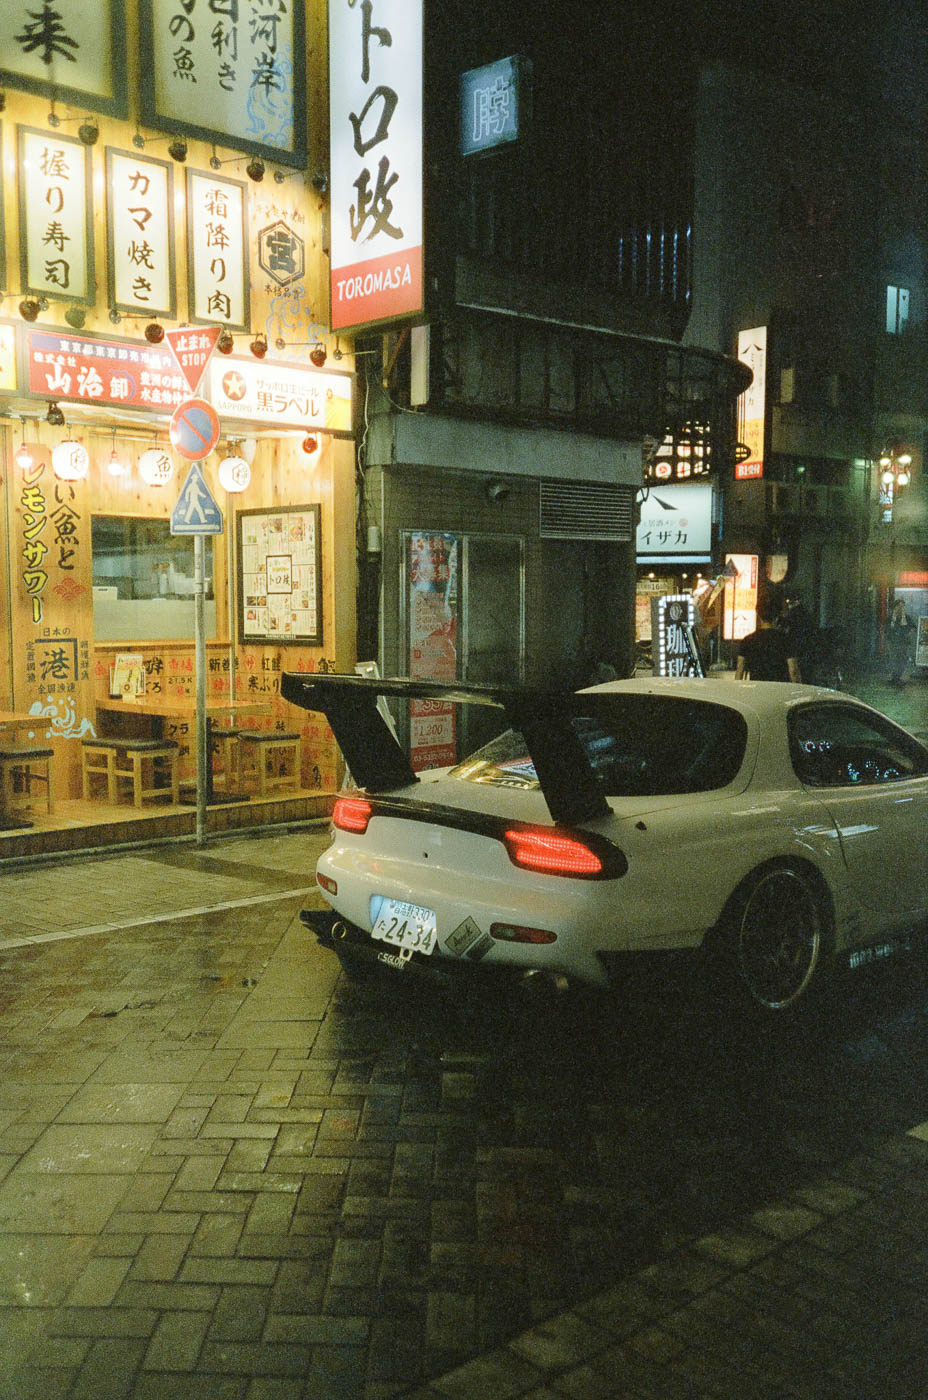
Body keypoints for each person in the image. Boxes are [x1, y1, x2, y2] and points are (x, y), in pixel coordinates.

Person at [735, 595, 802, 681]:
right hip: (779, 691)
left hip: (756, 690)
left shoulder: (747, 640)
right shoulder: (786, 640)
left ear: (758, 614)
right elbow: (793, 671)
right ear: (777, 615)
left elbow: (740, 670)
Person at [886, 597, 915, 687]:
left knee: (902, 660)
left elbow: (913, 627)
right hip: (893, 643)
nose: (900, 608)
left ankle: (897, 677)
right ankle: (895, 678)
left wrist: (909, 634)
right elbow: (886, 629)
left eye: (902, 606)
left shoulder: (906, 617)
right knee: (893, 660)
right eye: (899, 606)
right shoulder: (891, 618)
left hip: (903, 643)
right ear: (895, 607)